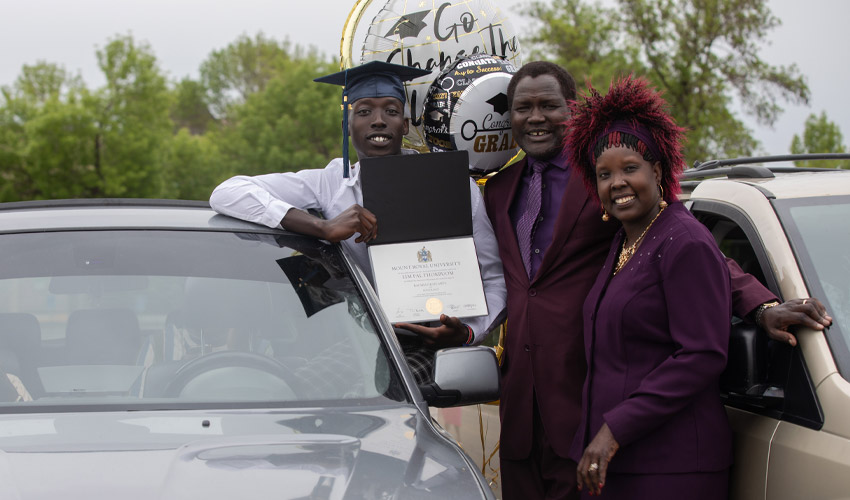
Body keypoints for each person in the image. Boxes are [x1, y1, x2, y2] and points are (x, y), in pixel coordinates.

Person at [482, 61, 832, 500]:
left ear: (571, 111)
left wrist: (759, 306)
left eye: (549, 106)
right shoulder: (497, 190)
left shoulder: (607, 180)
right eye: (522, 108)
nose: (535, 118)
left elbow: (694, 253)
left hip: (586, 412)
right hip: (520, 416)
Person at [209, 61, 507, 384]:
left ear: (405, 125)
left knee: (392, 398)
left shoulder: (449, 183)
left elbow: (494, 278)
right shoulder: (332, 183)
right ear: (347, 125)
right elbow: (228, 193)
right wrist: (321, 227)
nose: (378, 121)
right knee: (297, 390)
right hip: (356, 339)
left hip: (424, 345)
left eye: (391, 111)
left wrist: (467, 332)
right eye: (364, 112)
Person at [567, 75, 730, 497]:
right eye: (604, 174)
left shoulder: (685, 241)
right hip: (620, 463)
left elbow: (701, 355)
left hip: (671, 468)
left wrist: (612, 431)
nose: (616, 182)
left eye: (630, 168)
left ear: (657, 171)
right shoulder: (626, 239)